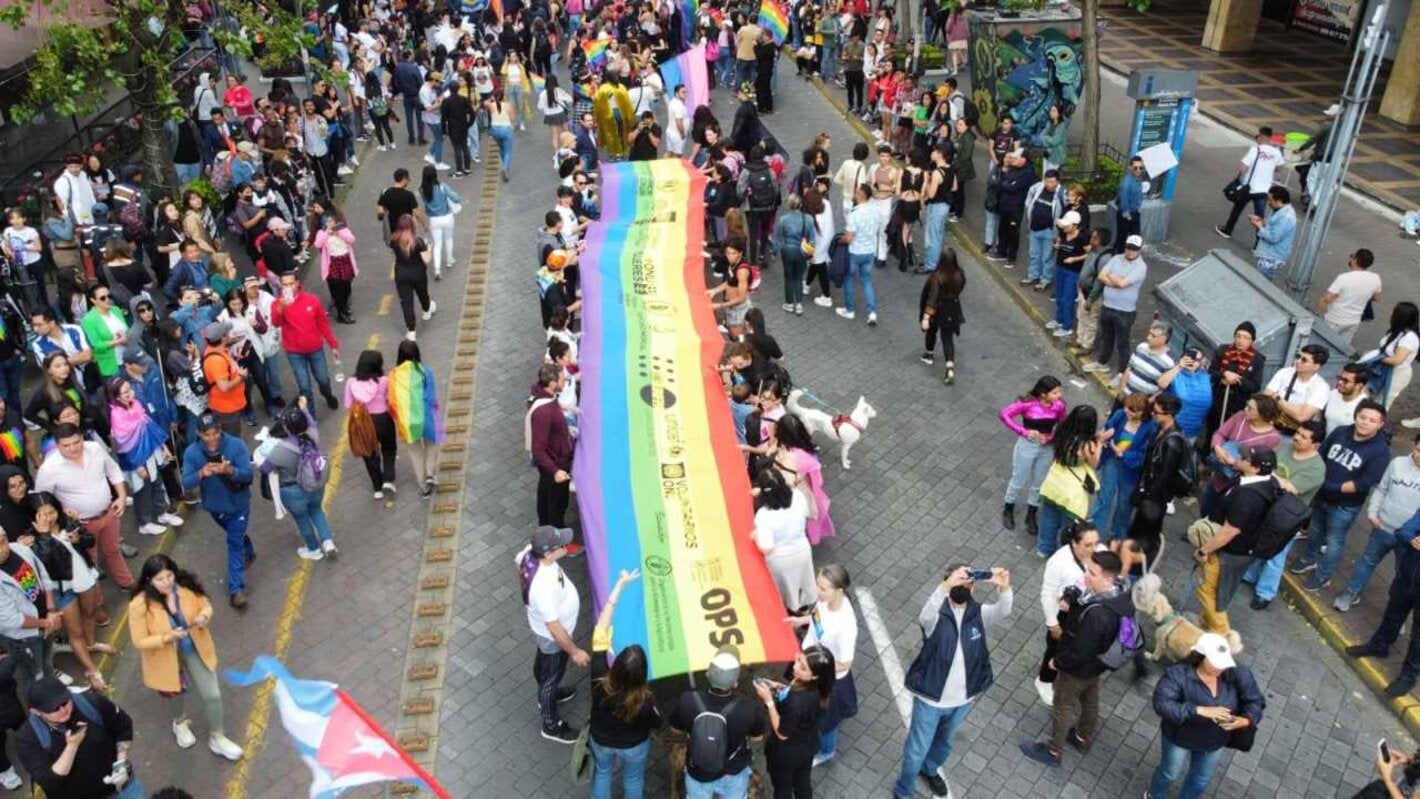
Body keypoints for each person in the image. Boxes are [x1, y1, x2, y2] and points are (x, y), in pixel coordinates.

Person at [893, 565, 1013, 799]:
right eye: (956, 583)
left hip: (962, 700)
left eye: (966, 583)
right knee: (917, 750)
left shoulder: (978, 614)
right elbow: (924, 615)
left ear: (973, 586)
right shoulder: (936, 616)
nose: (961, 587)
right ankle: (903, 790)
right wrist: (944, 586)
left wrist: (1004, 587)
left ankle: (930, 770)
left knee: (944, 743)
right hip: (930, 700)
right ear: (947, 585)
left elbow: (1003, 611)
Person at [1020, 550, 1134, 767]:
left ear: (1108, 578)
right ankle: (1083, 735)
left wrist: (1057, 662)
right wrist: (1073, 597)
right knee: (1090, 696)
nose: (1085, 577)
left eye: (1092, 573)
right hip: (1097, 664)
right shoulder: (1122, 593)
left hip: (1078, 667)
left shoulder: (1097, 615)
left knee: (1063, 704)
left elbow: (1079, 651)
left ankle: (1053, 751)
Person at [128, 554, 244, 761]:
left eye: (169, 576)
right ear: (149, 581)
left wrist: (204, 616)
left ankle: (218, 736)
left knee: (213, 695)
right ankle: (179, 722)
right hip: (164, 658)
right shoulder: (139, 605)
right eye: (159, 579)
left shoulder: (185, 587)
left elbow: (205, 604)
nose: (166, 582)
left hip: (194, 649)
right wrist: (166, 637)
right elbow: (139, 641)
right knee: (173, 694)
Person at [1147, 633, 1265, 799]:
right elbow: (1162, 704)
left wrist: (1245, 720)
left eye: (1223, 663)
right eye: (1215, 663)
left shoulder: (1239, 673)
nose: (1220, 668)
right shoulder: (1177, 674)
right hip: (1179, 738)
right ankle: (1154, 795)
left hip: (1214, 741)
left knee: (1200, 780)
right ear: (1201, 656)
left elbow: (1255, 700)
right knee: (1169, 773)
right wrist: (1198, 710)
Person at [1291, 401, 1391, 592]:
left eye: (1372, 420)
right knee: (1314, 530)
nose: (1365, 423)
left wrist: (1330, 486)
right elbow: (1321, 453)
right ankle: (1309, 559)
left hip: (1345, 506)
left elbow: (1363, 483)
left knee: (1334, 541)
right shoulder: (1340, 432)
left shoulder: (1380, 451)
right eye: (1362, 417)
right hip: (1320, 495)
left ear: (1380, 424)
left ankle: (1323, 575)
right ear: (1356, 415)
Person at [1192, 445, 1283, 635]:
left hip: (1230, 553)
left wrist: (1204, 550)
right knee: (1221, 593)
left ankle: (1224, 637)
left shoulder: (1247, 496)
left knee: (1208, 592)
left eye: (1244, 458)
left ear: (1256, 468)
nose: (1239, 458)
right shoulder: (1269, 483)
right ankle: (1205, 630)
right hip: (1245, 551)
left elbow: (1229, 531)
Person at [587, 568, 660, 798]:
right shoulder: (645, 701)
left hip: (601, 738)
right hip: (634, 746)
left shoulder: (599, 674)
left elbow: (602, 626)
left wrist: (620, 585)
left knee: (602, 773)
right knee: (633, 779)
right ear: (642, 676)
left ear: (616, 664)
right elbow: (657, 723)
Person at [35, 424, 134, 590]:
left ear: (82, 437)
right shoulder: (49, 468)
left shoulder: (95, 449)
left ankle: (127, 582)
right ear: (58, 445)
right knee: (89, 561)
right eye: (66, 445)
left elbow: (113, 470)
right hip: (80, 524)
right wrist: (61, 512)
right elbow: (42, 500)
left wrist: (122, 496)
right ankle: (97, 602)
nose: (73, 448)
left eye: (76, 442)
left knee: (113, 549)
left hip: (108, 513)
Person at [1243, 420, 1326, 609]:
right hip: (1269, 505)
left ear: (1316, 445)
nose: (1296, 437)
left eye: (1304, 437)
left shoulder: (1317, 468)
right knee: (1258, 541)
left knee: (1276, 555)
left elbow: (1291, 488)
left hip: (1288, 516)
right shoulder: (1285, 447)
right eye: (1298, 432)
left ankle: (1265, 593)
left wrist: (1267, 473)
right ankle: (1250, 575)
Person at [1334, 435, 1420, 612]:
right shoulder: (1397, 463)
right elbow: (1382, 489)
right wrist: (1372, 513)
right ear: (1414, 445)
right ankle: (1352, 592)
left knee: (1402, 575)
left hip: (1410, 538)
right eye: (1419, 450)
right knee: (1367, 561)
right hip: (1383, 526)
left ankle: (1396, 609)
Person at [670, 644, 767, 799]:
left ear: (708, 675)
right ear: (735, 683)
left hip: (698, 771)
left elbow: (676, 730)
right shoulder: (749, 708)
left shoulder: (687, 700)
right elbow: (757, 738)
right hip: (732, 771)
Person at [17, 677, 139, 799]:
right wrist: (72, 746)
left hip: (121, 789)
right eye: (53, 709)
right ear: (36, 712)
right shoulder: (28, 738)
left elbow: (123, 726)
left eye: (65, 702)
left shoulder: (90, 702)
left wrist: (121, 763)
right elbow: (50, 782)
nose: (63, 710)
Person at [517, 524, 585, 743]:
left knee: (545, 665)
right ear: (548, 553)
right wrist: (574, 651)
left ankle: (546, 694)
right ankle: (551, 724)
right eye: (561, 545)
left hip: (543, 633)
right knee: (551, 676)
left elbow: (516, 560)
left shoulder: (530, 553)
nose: (566, 546)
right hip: (552, 637)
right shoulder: (543, 588)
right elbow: (554, 628)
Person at [787, 563, 858, 767]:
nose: (817, 592)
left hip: (826, 678)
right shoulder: (825, 602)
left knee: (826, 723)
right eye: (817, 585)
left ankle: (826, 751)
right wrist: (801, 621)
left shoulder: (846, 625)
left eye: (823, 588)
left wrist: (814, 667)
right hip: (811, 662)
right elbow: (817, 617)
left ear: (839, 591)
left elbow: (845, 663)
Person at [181, 414, 255, 608]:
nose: (213, 438)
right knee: (237, 537)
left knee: (233, 543)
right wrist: (201, 473)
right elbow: (186, 481)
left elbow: (248, 475)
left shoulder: (236, 445)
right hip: (216, 508)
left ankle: (235, 589)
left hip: (239, 505)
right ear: (199, 434)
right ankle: (249, 548)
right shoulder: (191, 453)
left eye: (216, 433)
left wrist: (230, 471)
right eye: (207, 435)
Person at [254, 401, 337, 561]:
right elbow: (309, 419)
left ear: (286, 428)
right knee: (317, 510)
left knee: (302, 519)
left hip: (293, 492)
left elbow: (265, 468)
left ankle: (314, 550)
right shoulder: (313, 433)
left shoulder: (280, 450)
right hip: (315, 485)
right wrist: (304, 407)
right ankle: (328, 542)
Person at [756, 645, 835, 799]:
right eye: (798, 660)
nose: (796, 667)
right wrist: (782, 689)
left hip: (787, 753)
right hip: (808, 744)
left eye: (803, 668)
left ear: (814, 676)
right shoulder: (822, 688)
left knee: (783, 787)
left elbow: (782, 733)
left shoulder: (796, 703)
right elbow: (800, 697)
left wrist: (769, 701)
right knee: (802, 780)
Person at [107, 377, 180, 537]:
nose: (130, 393)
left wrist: (163, 447)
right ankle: (144, 522)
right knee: (142, 490)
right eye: (125, 392)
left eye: (130, 389)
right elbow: (124, 446)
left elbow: (150, 428)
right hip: (138, 460)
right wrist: (137, 466)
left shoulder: (136, 404)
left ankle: (162, 513)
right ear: (117, 397)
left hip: (151, 454)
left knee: (157, 483)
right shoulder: (117, 416)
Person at [999, 376, 1067, 535]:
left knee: (1039, 482)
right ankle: (1008, 508)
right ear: (1043, 394)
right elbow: (1004, 414)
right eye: (1055, 392)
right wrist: (1023, 431)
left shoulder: (1059, 406)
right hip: (1027, 446)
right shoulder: (1027, 403)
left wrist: (1051, 438)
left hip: (1047, 447)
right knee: (1019, 478)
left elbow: (1062, 425)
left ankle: (1031, 514)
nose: (1059, 395)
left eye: (1059, 391)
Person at [1200, 394, 1282, 517]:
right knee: (1206, 507)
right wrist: (1217, 448)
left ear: (1262, 414)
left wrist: (1233, 462)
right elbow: (1220, 434)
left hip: (1238, 484)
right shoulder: (1240, 417)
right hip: (1219, 473)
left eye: (1250, 408)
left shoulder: (1272, 439)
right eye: (1246, 406)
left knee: (1222, 516)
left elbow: (1260, 467)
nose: (1245, 410)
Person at [271, 271, 341, 413]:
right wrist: (280, 310)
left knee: (323, 380)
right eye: (285, 285)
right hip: (294, 352)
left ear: (297, 283)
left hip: (315, 349)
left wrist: (333, 345)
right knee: (304, 387)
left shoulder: (312, 300)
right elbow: (276, 323)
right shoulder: (277, 304)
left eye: (291, 283)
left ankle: (327, 394)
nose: (288, 287)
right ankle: (311, 420)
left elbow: (323, 324)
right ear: (281, 286)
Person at [1092, 394, 1157, 541]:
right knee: (1104, 498)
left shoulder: (1150, 427)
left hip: (1130, 469)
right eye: (1127, 407)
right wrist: (1104, 436)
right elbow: (1108, 429)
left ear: (1142, 412)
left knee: (1124, 504)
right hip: (1112, 461)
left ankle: (1118, 536)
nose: (1127, 412)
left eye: (1132, 410)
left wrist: (1123, 455)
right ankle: (1096, 533)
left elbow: (1144, 453)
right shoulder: (1120, 414)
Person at [751, 467, 816, 612]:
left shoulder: (763, 515)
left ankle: (790, 614)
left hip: (780, 561)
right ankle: (804, 612)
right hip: (802, 552)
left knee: (784, 592)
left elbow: (767, 548)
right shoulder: (798, 496)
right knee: (803, 585)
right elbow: (806, 514)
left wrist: (755, 536)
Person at [1082, 236, 1148, 377]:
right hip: (1108, 306)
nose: (1130, 251)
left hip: (1125, 312)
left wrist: (1111, 278)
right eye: (1128, 247)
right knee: (1107, 337)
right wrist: (1115, 281)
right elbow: (1101, 275)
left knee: (1122, 344)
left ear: (1140, 250)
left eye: (1134, 249)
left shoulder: (1141, 267)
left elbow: (1122, 284)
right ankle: (1102, 363)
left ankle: (1122, 373)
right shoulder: (1116, 258)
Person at [388, 340, 444, 499]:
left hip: (407, 423)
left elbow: (391, 402)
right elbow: (432, 397)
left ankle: (424, 486)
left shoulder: (393, 375)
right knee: (432, 446)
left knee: (415, 453)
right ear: (417, 354)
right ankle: (430, 473)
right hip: (427, 417)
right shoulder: (425, 372)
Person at [345, 350, 397, 501]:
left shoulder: (351, 382)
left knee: (369, 454)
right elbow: (390, 400)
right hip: (383, 419)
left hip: (363, 422)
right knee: (389, 448)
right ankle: (388, 478)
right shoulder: (384, 381)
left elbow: (348, 405)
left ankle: (377, 487)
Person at [1216, 127, 1283, 240]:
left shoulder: (1255, 150)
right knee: (1259, 217)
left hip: (1248, 188)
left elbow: (1243, 169)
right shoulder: (1276, 152)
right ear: (1270, 137)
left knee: (1237, 209)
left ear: (1261, 136)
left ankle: (1227, 230)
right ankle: (1258, 242)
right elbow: (1279, 169)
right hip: (1264, 190)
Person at [529, 363, 574, 527]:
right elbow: (538, 449)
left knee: (546, 498)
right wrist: (555, 471)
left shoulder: (543, 396)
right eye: (563, 380)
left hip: (553, 464)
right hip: (556, 465)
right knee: (556, 506)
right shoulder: (544, 412)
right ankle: (557, 542)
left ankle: (547, 529)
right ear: (552, 383)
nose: (565, 382)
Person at [1207, 322, 1267, 436]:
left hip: (1238, 403)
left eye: (1245, 338)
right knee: (1211, 430)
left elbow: (1255, 386)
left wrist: (1238, 379)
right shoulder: (1223, 350)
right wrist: (1224, 374)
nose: (1240, 340)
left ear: (1251, 341)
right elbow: (1211, 371)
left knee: (1229, 433)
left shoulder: (1257, 359)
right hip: (1218, 397)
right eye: (1238, 336)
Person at [838, 183, 885, 326]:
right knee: (866, 281)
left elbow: (849, 237)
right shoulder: (876, 212)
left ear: (859, 195)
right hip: (870, 251)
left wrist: (841, 240)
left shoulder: (854, 214)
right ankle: (872, 312)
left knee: (849, 279)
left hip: (855, 252)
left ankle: (849, 309)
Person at [918, 249, 966, 384]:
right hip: (953, 308)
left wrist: (926, 317)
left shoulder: (937, 277)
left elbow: (932, 299)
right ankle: (949, 367)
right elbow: (962, 286)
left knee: (932, 331)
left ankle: (929, 353)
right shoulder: (960, 274)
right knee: (947, 338)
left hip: (939, 309)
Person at [1317, 249, 1382, 343]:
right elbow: (1377, 298)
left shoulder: (1343, 278)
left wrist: (1320, 313)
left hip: (1335, 319)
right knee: (1341, 348)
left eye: (1352, 256)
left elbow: (1326, 299)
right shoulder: (1375, 278)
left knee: (1322, 344)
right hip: (1353, 321)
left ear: (1355, 260)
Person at [312, 200, 359, 325]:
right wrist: (327, 233)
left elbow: (351, 239)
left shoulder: (342, 229)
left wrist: (338, 232)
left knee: (346, 287)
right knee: (338, 289)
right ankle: (341, 313)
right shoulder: (321, 233)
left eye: (332, 221)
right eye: (327, 221)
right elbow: (317, 244)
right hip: (333, 263)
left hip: (345, 260)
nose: (330, 223)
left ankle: (344, 307)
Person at [1021, 168, 1064, 291]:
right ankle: (1033, 275)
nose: (1049, 184)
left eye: (1052, 182)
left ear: (1057, 182)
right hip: (1034, 228)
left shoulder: (1061, 194)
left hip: (1049, 231)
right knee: (1034, 254)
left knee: (1047, 257)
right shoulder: (1038, 187)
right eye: (1047, 181)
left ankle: (1046, 279)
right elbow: (1030, 192)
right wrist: (1028, 206)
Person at [418, 165, 461, 282]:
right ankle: (449, 260)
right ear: (435, 175)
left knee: (437, 244)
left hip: (434, 220)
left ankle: (437, 270)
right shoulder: (443, 187)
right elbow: (456, 198)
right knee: (449, 239)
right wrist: (457, 198)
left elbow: (426, 206)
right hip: (447, 217)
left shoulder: (422, 191)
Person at [1250, 185, 1296, 280]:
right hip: (1270, 254)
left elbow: (1273, 237)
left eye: (1270, 200)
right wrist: (1262, 221)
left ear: (1279, 201)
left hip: (1271, 257)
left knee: (1260, 282)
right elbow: (1274, 225)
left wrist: (1259, 226)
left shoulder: (1285, 217)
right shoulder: (1281, 211)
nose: (1268, 202)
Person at [1119, 322, 1176, 398]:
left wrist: (1148, 402)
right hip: (1124, 394)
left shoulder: (1169, 363)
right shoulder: (1141, 347)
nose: (1148, 337)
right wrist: (1122, 390)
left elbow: (1162, 388)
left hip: (1140, 405)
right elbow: (1129, 368)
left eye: (1153, 336)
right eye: (1149, 333)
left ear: (1163, 339)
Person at [1116, 156, 1145, 243]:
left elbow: (1139, 195)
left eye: (1141, 167)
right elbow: (1124, 200)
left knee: (1135, 239)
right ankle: (1117, 254)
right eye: (1135, 168)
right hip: (1127, 215)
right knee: (1122, 239)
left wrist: (1138, 208)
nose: (1138, 170)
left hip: (1135, 212)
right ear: (1130, 168)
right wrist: (1128, 216)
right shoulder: (1126, 183)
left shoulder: (1137, 179)